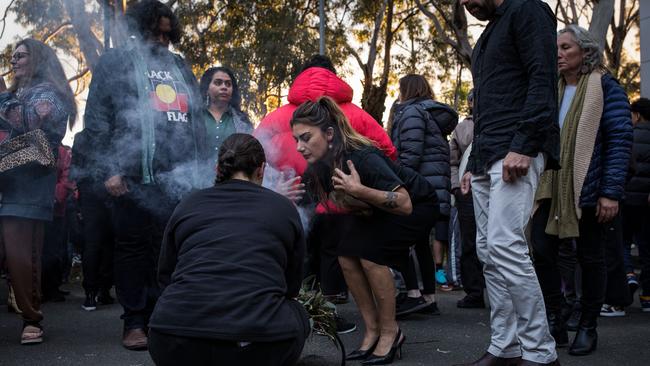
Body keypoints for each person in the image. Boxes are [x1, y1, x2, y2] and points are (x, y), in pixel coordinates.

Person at [80, 0, 206, 350]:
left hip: (177, 179)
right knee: (132, 249)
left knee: (169, 250)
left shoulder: (179, 65)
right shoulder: (114, 62)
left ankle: (164, 319)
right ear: (139, 28)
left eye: (167, 34)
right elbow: (98, 121)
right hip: (131, 176)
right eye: (155, 32)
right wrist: (110, 169)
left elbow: (194, 117)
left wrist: (199, 172)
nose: (161, 40)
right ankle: (134, 321)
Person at [291, 97, 439, 364]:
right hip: (377, 208)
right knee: (346, 254)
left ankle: (391, 332)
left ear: (328, 133)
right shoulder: (319, 166)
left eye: (305, 138)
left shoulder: (361, 157)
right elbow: (301, 203)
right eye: (296, 140)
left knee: (371, 254)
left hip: (418, 203)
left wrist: (359, 191)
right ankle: (372, 330)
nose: (299, 147)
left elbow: (404, 204)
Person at [255, 54, 396, 333]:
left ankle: (302, 312)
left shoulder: (277, 116)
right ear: (334, 76)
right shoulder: (353, 112)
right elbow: (388, 150)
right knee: (336, 253)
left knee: (301, 252)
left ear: (300, 76)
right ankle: (329, 315)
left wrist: (272, 186)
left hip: (293, 193)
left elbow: (252, 152)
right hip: (340, 192)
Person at [456, 0, 561, 365]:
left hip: (516, 149)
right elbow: (487, 104)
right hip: (488, 154)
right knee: (488, 251)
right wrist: (472, 162)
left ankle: (540, 352)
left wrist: (526, 144)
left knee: (505, 245)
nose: (465, 4)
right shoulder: (489, 32)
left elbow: (542, 78)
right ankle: (506, 345)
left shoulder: (527, 10)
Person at [148, 134, 309, 366]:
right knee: (297, 313)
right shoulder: (282, 207)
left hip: (173, 339)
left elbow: (165, 276)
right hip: (259, 345)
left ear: (218, 168)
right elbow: (291, 286)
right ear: (261, 170)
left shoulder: (188, 203)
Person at [530, 24, 633, 356]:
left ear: (586, 53)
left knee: (591, 257)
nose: (557, 54)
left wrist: (611, 192)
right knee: (542, 250)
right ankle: (557, 317)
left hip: (590, 187)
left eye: (565, 48)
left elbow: (619, 141)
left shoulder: (606, 87)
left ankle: (588, 326)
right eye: (556, 48)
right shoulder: (551, 89)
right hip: (551, 186)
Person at [0, 38, 76, 344]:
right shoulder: (15, 93)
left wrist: (2, 96)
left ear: (38, 60)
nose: (14, 61)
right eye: (13, 56)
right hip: (6, 183)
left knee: (22, 256)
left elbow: (30, 119)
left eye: (21, 56)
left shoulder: (51, 93)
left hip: (29, 187)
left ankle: (32, 319)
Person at [387, 74, 457, 316]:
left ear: (407, 90)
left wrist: (395, 179)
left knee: (400, 239)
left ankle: (414, 294)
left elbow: (411, 155)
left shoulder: (412, 113)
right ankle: (428, 297)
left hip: (418, 190)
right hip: (433, 190)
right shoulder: (430, 115)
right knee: (420, 243)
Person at [449, 90, 485, 309]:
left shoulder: (502, 120)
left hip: (498, 184)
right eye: (473, 99)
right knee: (469, 241)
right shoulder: (462, 128)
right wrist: (455, 186)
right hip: (467, 191)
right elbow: (452, 160)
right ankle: (474, 292)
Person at [622, 97, 650, 313]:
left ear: (637, 115)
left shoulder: (628, 135)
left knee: (622, 243)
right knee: (646, 247)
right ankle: (647, 296)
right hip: (646, 202)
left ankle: (628, 276)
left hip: (626, 199)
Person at [199, 66, 253, 162]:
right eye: (218, 83)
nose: (224, 87)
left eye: (228, 84)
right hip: (195, 175)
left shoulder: (243, 122)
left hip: (231, 176)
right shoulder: (195, 117)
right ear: (206, 88)